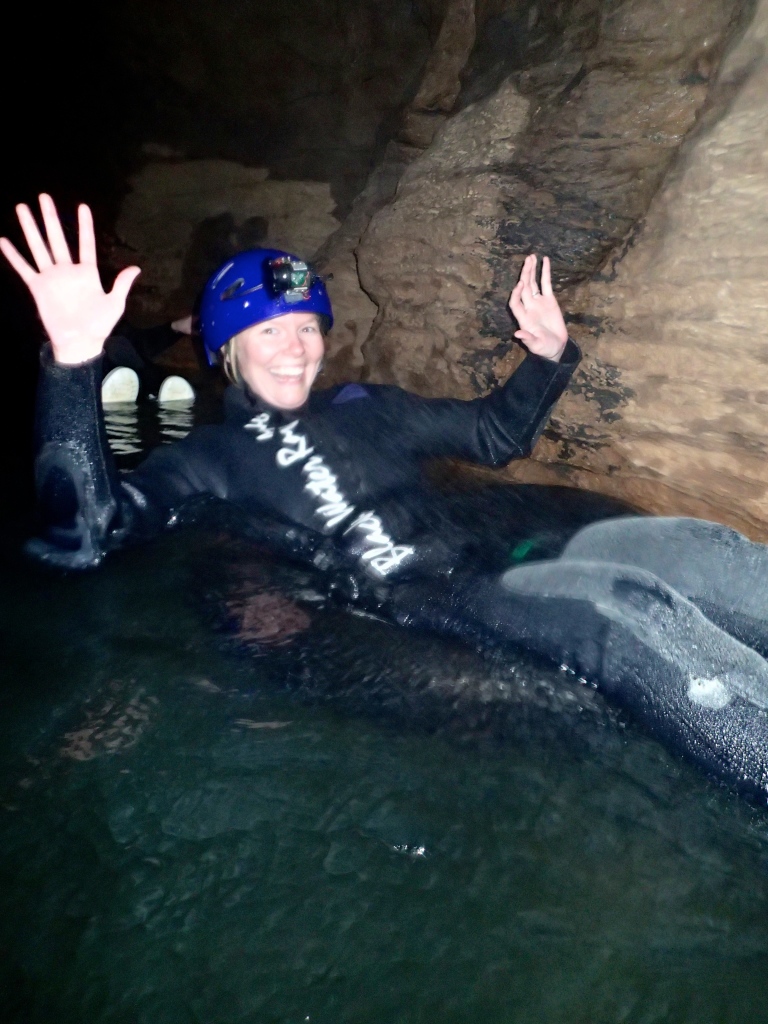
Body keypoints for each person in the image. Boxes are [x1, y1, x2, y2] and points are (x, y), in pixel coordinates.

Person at [4, 193, 768, 802]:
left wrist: (547, 356)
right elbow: (85, 535)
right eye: (268, 333)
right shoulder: (210, 460)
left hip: (500, 551)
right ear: (227, 350)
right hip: (430, 599)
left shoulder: (368, 405)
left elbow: (494, 436)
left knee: (693, 547)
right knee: (621, 608)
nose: (296, 347)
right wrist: (72, 368)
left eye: (306, 327)